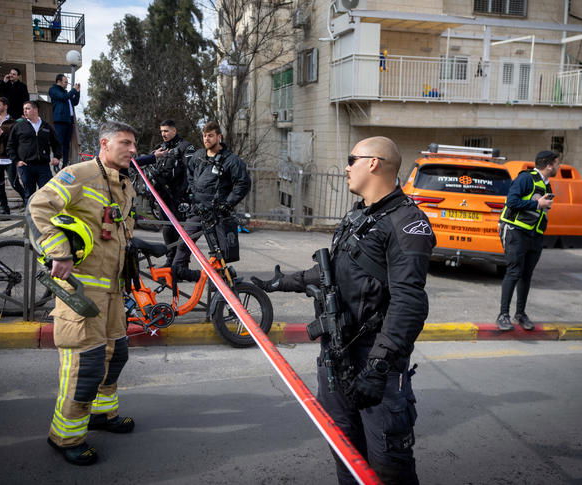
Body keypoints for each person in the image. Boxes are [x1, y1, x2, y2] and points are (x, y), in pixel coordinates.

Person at [251, 137, 435, 484]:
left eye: (352, 159)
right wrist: (279, 282)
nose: (347, 167)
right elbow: (334, 271)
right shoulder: (358, 215)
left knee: (388, 468)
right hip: (336, 358)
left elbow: (409, 303)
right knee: (346, 457)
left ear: (374, 163)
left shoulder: (407, 223)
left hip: (375, 366)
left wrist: (378, 367)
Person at [28, 121, 139, 466]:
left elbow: (115, 231)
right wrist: (58, 250)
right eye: (126, 143)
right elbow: (38, 208)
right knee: (85, 365)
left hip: (113, 292)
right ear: (105, 144)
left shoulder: (125, 185)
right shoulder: (79, 175)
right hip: (82, 291)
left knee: (115, 355)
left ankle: (102, 415)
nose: (133, 150)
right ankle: (66, 437)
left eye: (135, 144)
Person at [171, 120, 251, 281]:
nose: (206, 139)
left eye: (210, 136)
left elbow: (243, 183)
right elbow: (190, 174)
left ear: (219, 137)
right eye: (204, 136)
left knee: (219, 254)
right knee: (184, 242)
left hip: (218, 214)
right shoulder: (198, 156)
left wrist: (227, 204)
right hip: (198, 210)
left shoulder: (231, 161)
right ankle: (180, 272)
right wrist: (193, 192)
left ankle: (222, 287)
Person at [496, 150, 559, 331]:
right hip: (516, 232)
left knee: (526, 275)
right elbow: (512, 202)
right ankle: (503, 315)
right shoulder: (526, 178)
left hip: (534, 235)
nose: (558, 166)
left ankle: (520, 314)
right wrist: (537, 204)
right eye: (557, 163)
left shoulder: (547, 185)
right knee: (514, 272)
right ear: (549, 165)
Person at [147, 119, 196, 266]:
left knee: (181, 229)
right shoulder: (159, 148)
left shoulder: (186, 147)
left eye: (166, 131)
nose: (163, 134)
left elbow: (192, 171)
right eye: (161, 131)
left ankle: (181, 264)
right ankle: (170, 261)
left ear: (174, 131)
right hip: (163, 196)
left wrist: (187, 193)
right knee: (167, 227)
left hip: (181, 196)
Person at [7, 100, 61, 199]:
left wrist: (57, 157)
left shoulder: (46, 126)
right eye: (24, 109)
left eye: (28, 108)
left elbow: (56, 143)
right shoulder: (18, 126)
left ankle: (44, 214)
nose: (25, 111)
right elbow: (10, 146)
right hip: (26, 166)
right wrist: (16, 161)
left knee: (46, 194)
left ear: (35, 110)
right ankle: (29, 214)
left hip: (43, 166)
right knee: (29, 194)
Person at [0, 97, 27, 213]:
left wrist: (4, 134)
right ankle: (4, 209)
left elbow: (17, 140)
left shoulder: (13, 123)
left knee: (15, 183)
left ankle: (28, 203)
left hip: (9, 158)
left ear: (5, 106)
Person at [49, 74, 80, 168]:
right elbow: (63, 97)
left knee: (67, 144)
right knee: (59, 143)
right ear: (59, 81)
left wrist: (77, 92)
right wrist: (73, 90)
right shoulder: (54, 90)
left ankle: (65, 164)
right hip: (60, 120)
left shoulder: (66, 93)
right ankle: (56, 163)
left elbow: (75, 102)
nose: (67, 84)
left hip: (69, 121)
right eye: (65, 82)